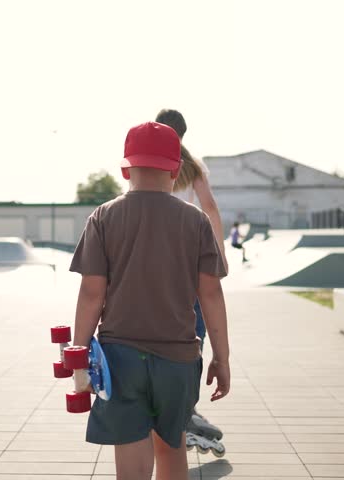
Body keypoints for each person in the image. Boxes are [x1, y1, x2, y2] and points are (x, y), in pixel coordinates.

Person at [70, 121, 230, 479]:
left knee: (130, 453)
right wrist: (222, 357)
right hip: (178, 359)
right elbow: (211, 294)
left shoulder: (103, 217)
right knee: (171, 447)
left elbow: (91, 294)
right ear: (176, 170)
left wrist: (78, 352)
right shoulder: (196, 222)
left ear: (126, 168)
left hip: (121, 359)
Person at [155, 108, 226, 451]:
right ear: (182, 135)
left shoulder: (148, 161)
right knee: (194, 332)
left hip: (156, 263)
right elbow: (210, 207)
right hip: (191, 260)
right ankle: (185, 405)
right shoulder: (193, 166)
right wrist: (220, 253)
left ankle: (172, 406)